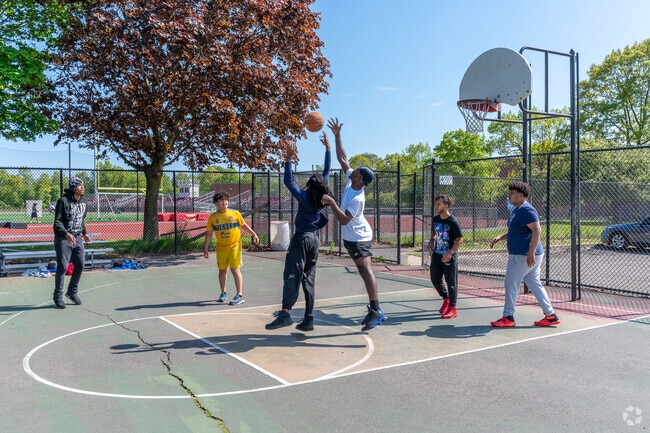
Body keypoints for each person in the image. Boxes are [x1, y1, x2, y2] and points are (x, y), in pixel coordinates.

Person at [320, 118, 386, 331]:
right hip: (351, 237)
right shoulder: (351, 180)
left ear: (362, 179)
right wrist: (337, 135)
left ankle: (377, 310)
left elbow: (343, 219)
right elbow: (342, 158)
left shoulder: (358, 198)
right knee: (362, 271)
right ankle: (374, 309)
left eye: (357, 170)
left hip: (359, 237)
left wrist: (330, 202)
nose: (352, 170)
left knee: (366, 270)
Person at [265, 137, 333, 331]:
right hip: (315, 240)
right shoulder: (322, 198)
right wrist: (328, 150)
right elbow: (326, 172)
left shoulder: (304, 197)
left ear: (310, 187)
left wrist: (288, 159)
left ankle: (285, 314)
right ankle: (309, 318)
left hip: (301, 239)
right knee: (309, 278)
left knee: (292, 275)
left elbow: (289, 180)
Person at [489, 181, 560, 327]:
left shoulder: (527, 210)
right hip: (524, 253)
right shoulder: (517, 209)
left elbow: (537, 230)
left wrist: (530, 253)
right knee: (533, 283)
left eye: (511, 193)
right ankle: (550, 315)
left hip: (523, 254)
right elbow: (517, 230)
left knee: (510, 284)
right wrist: (501, 237)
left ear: (521, 195)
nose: (508, 196)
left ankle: (508, 317)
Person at [203, 191, 259, 305]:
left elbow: (243, 225)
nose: (224, 202)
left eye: (226, 200)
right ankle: (223, 293)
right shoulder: (213, 218)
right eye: (221, 200)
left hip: (235, 246)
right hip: (221, 248)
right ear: (216, 203)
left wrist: (254, 234)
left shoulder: (235, 213)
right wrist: (206, 248)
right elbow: (209, 233)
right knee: (222, 271)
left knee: (235, 269)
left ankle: (239, 295)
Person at [52, 177, 92, 309]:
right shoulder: (63, 201)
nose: (83, 188)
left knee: (80, 266)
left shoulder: (84, 202)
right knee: (63, 267)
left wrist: (85, 233)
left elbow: (81, 220)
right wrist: (66, 234)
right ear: (74, 188)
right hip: (64, 239)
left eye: (83, 186)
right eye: (80, 186)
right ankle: (58, 296)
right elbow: (57, 222)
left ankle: (72, 292)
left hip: (78, 238)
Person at [427, 194, 463, 319]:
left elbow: (460, 239)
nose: (436, 206)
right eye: (435, 204)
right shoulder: (436, 219)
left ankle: (453, 308)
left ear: (446, 205)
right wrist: (431, 241)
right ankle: (446, 298)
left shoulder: (453, 221)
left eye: (439, 204)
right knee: (435, 279)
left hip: (449, 256)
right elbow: (434, 231)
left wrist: (450, 252)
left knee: (451, 283)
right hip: (437, 254)